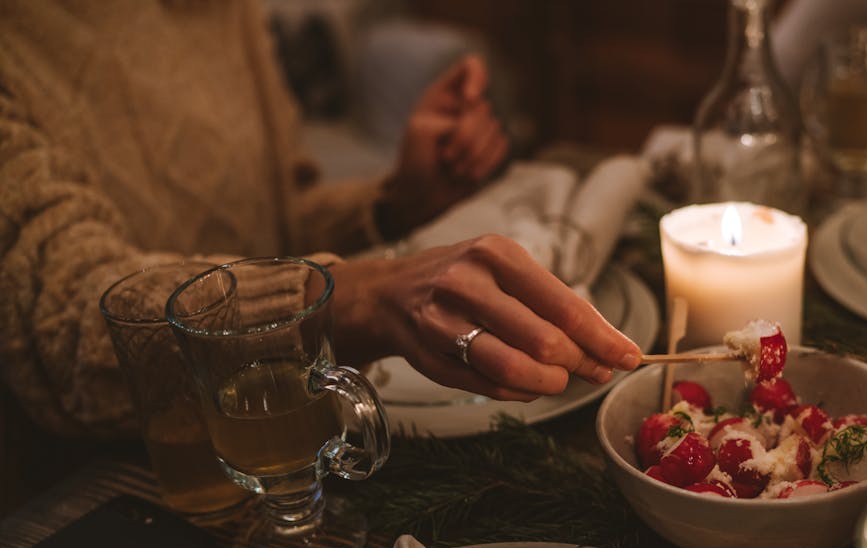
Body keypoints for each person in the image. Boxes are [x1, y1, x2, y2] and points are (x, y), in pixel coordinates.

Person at [0, 0, 641, 444]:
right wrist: (350, 301)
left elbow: (279, 223)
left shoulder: (220, 14)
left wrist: (397, 201)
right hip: (127, 480)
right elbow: (62, 319)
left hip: (297, 415)